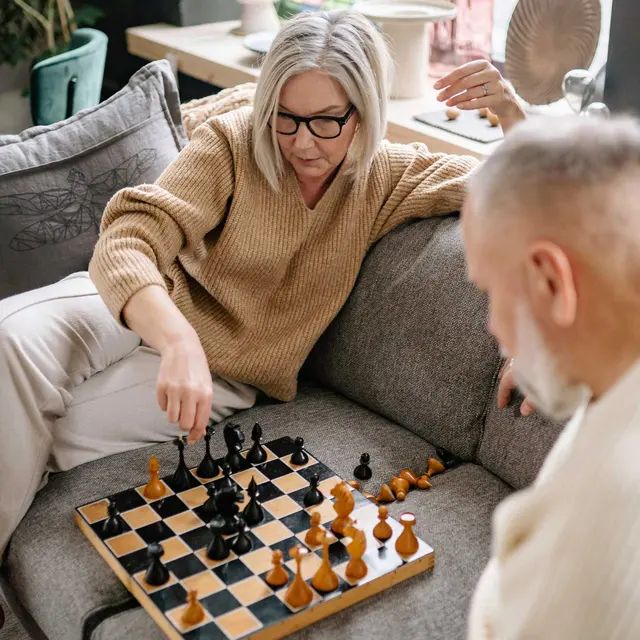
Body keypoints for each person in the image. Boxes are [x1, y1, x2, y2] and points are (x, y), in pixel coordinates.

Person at [0, 9, 524, 556]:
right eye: (285, 117)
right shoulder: (233, 142)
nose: (301, 144)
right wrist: (177, 339)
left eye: (326, 121)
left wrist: (512, 113)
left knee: (39, 438)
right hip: (138, 300)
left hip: (226, 372)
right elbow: (130, 236)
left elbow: (527, 193)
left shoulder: (388, 178)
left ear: (365, 113)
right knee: (8, 340)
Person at [463, 115, 640, 638]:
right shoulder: (613, 380)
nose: (494, 326)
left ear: (549, 281)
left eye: (492, 291)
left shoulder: (606, 512)